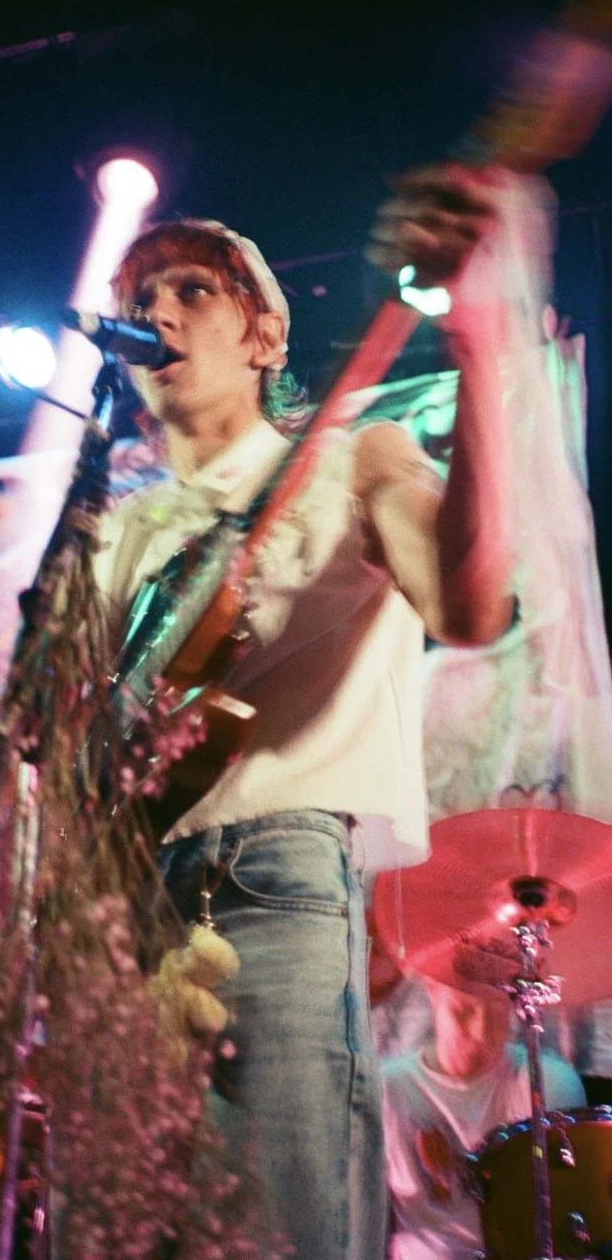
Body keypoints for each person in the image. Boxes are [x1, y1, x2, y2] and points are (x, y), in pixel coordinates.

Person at [93, 165, 521, 1260]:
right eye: (141, 300)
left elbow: (469, 605)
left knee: (289, 1227)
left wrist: (475, 347)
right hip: (129, 915)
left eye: (192, 290)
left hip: (272, 880)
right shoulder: (117, 535)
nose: (157, 314)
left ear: (266, 336)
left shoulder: (353, 460)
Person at [381, 979, 586, 1260]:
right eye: (463, 1011)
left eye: (495, 1012)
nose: (480, 1033)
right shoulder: (388, 1089)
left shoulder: (549, 1083)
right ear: (432, 992)